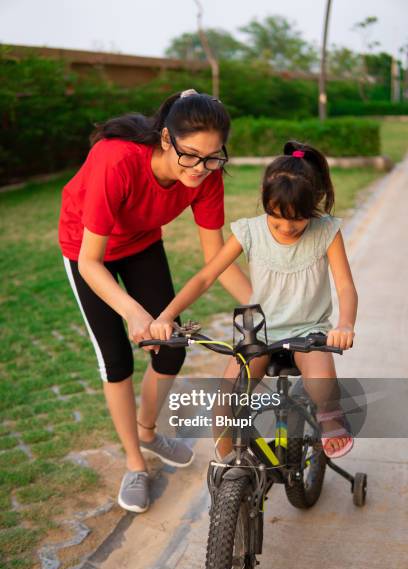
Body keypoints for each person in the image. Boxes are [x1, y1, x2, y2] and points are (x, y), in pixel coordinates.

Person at [58, 90, 252, 513]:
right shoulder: (117, 160)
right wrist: (132, 311)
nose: (201, 169)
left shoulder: (207, 176)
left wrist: (267, 308)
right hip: (86, 249)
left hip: (142, 243)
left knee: (169, 351)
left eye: (214, 157)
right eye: (191, 155)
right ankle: (134, 463)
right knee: (117, 361)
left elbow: (214, 260)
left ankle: (148, 431)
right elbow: (91, 262)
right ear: (166, 139)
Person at [150, 140, 358, 459]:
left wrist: (344, 325)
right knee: (225, 401)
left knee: (322, 385)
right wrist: (166, 316)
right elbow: (206, 276)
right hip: (258, 332)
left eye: (297, 220)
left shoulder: (326, 231)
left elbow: (345, 285)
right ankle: (229, 469)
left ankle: (330, 415)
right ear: (265, 204)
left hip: (309, 331)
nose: (287, 228)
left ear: (314, 207)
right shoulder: (249, 231)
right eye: (276, 219)